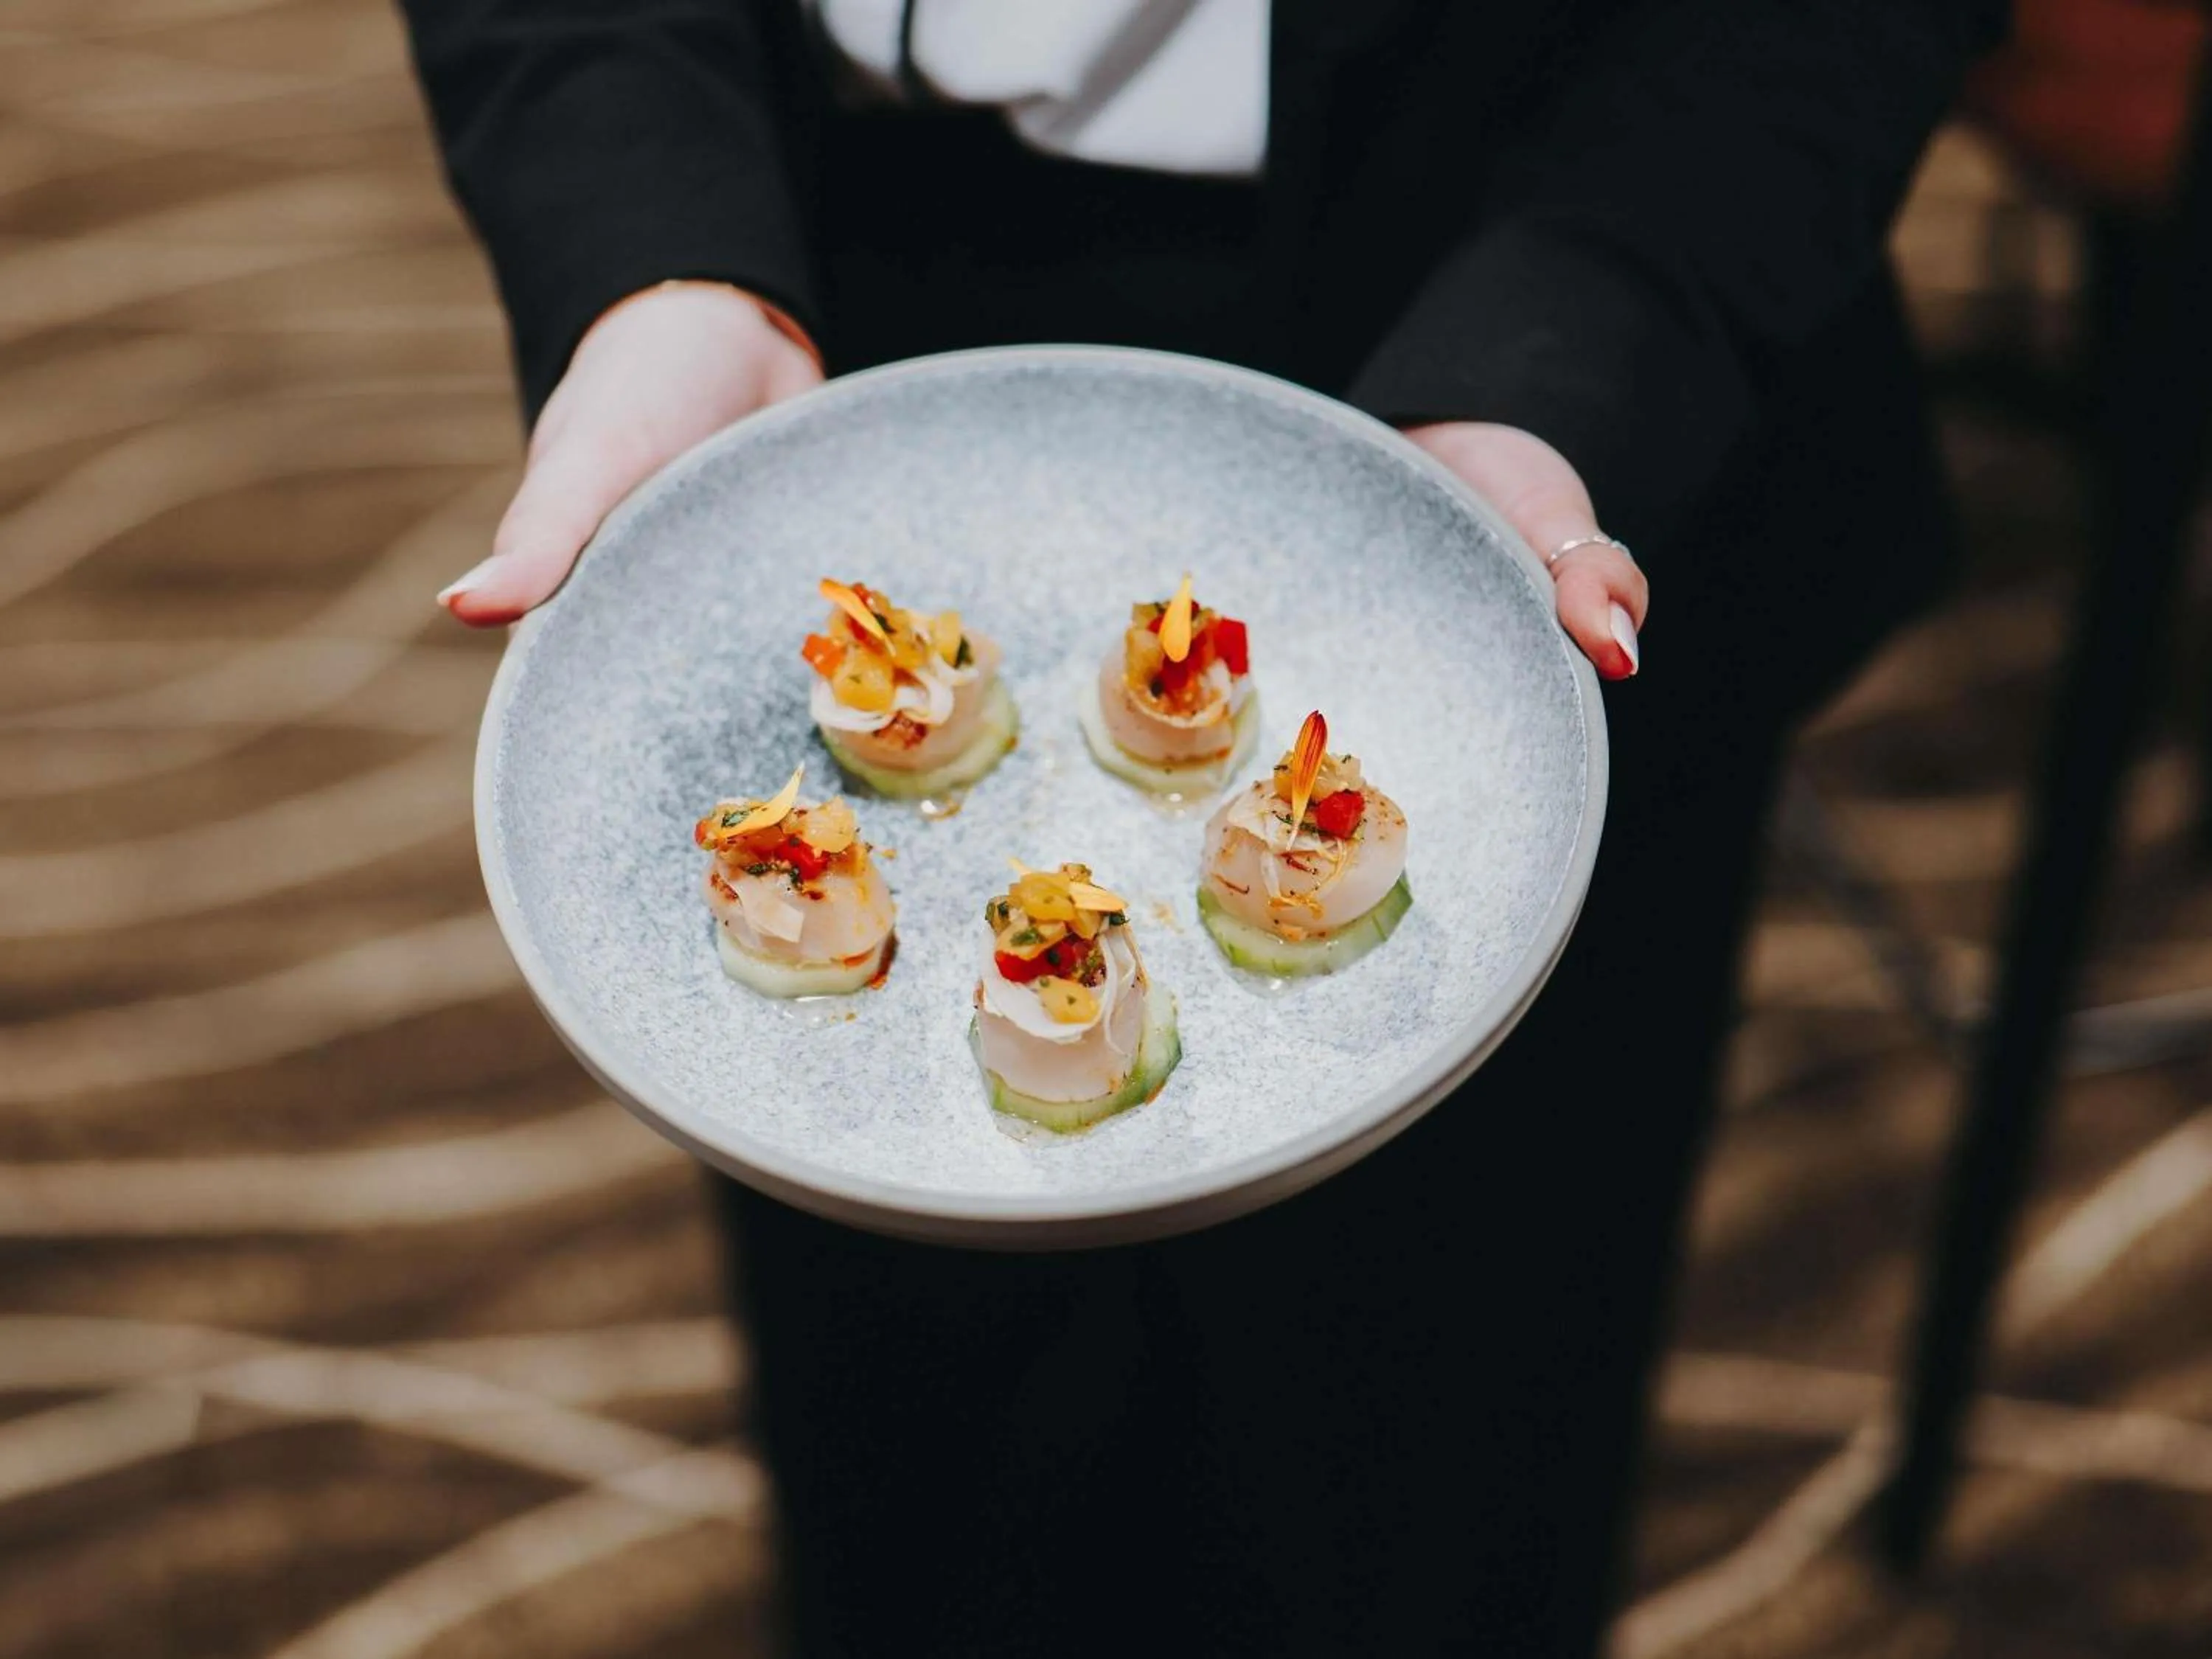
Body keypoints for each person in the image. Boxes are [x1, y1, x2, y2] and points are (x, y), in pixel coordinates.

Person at [400, 3, 2003, 1653]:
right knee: (922, 1462)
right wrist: (650, 246)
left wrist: (1579, 327)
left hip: (1529, 301)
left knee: (1428, 1456)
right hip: (842, 337)